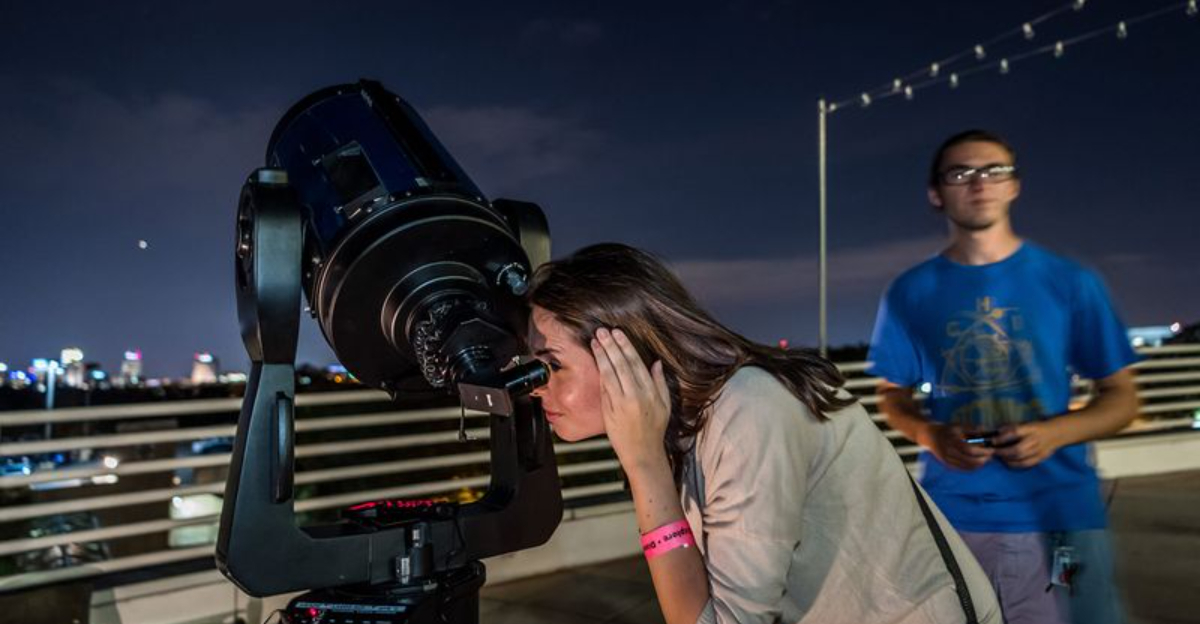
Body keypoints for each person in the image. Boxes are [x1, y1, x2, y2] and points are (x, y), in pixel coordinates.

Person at [527, 243, 1001, 624]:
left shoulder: (748, 410)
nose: (536, 387)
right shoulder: (691, 421)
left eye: (552, 364)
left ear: (624, 354)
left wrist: (644, 465)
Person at [868, 129, 1139, 624]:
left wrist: (1055, 432)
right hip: (956, 516)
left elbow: (1122, 398)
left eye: (994, 171)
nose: (980, 183)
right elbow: (891, 395)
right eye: (961, 173)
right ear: (936, 194)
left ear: (1014, 186)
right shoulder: (909, 293)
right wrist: (931, 433)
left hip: (1060, 514)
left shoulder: (1070, 282)